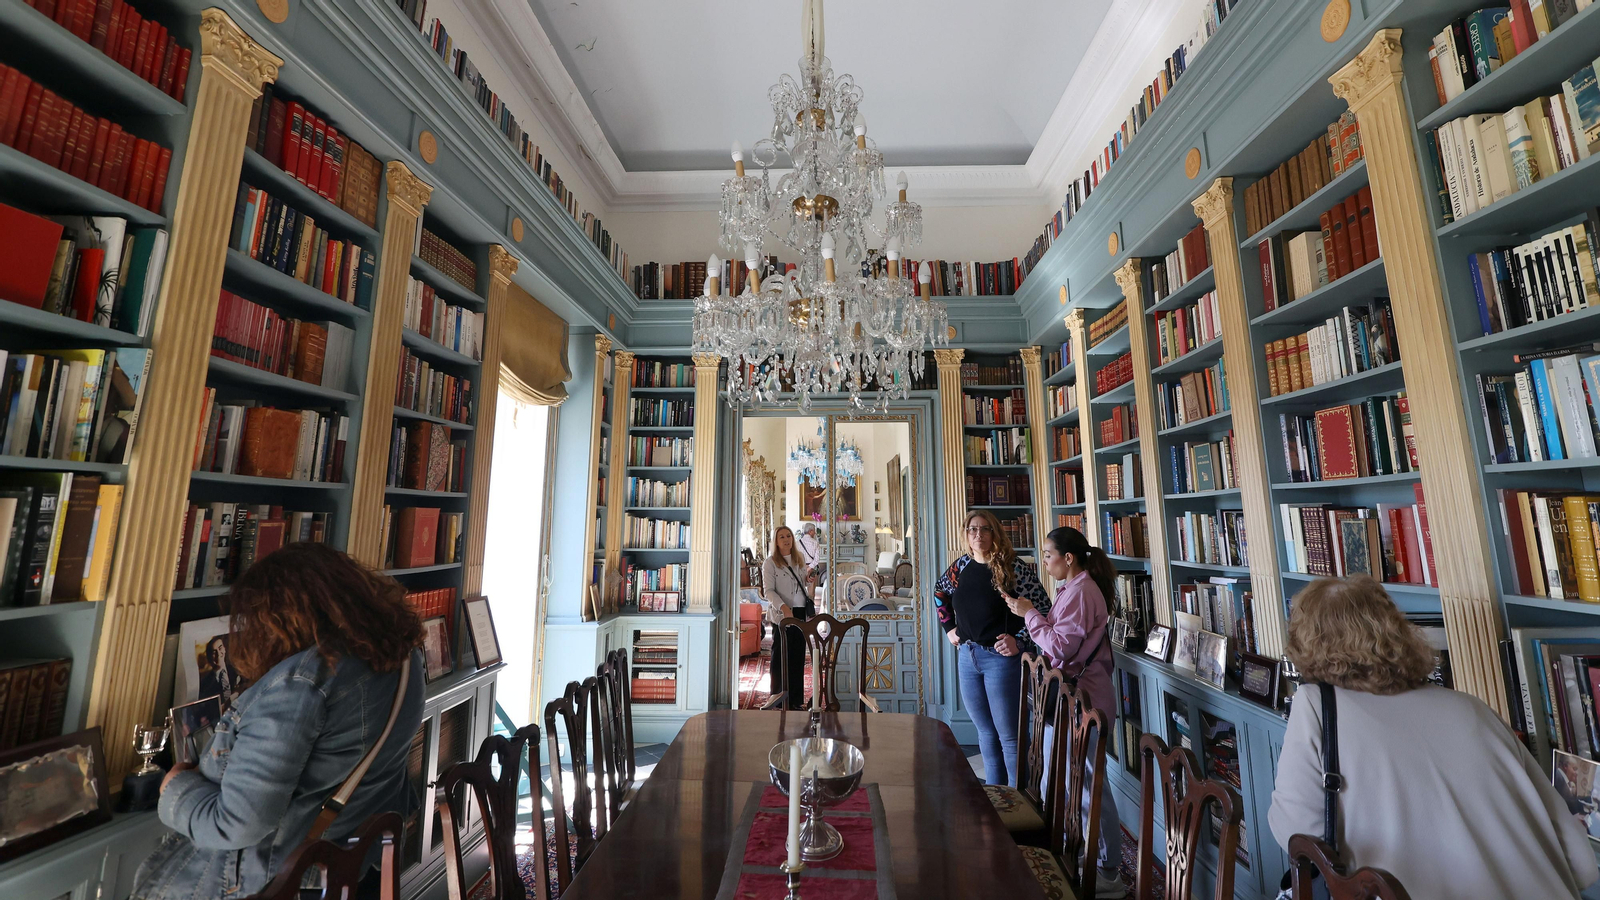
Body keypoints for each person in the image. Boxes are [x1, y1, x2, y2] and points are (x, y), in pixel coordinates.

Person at [1267, 575, 1599, 900]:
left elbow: (1295, 833)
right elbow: (1582, 865)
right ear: (1398, 631)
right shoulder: (1472, 708)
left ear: (1305, 644)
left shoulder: (1316, 707)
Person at [133, 543, 426, 900]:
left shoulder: (302, 683)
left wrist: (175, 787)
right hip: (355, 865)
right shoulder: (401, 655)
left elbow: (235, 825)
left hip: (282, 879)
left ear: (280, 618)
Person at [1004, 525, 1126, 898]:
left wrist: (1029, 614)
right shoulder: (1072, 589)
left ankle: (1108, 872)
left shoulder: (1081, 592)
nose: (1044, 561)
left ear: (1067, 558)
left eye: (1047, 555)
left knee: (1089, 784)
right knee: (1076, 782)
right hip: (1075, 700)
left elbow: (1059, 648)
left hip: (1088, 703)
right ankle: (1084, 854)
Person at [933, 509, 1047, 787]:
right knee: (985, 734)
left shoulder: (1013, 568)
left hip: (1002, 661)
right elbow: (939, 591)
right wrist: (949, 628)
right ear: (966, 534)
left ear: (995, 533)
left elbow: (1043, 610)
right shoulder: (961, 566)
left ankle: (1018, 801)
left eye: (985, 529)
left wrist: (1019, 640)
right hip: (968, 657)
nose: (978, 534)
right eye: (972, 529)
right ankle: (995, 798)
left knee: (1010, 737)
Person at [761, 525, 816, 710]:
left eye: (788, 536)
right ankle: (778, 698)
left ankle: (795, 700)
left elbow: (802, 583)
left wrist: (808, 579)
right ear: (776, 542)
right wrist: (784, 608)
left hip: (799, 612)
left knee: (797, 655)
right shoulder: (770, 563)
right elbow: (768, 591)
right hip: (782, 614)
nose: (786, 539)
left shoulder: (799, 559)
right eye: (782, 537)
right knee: (780, 655)